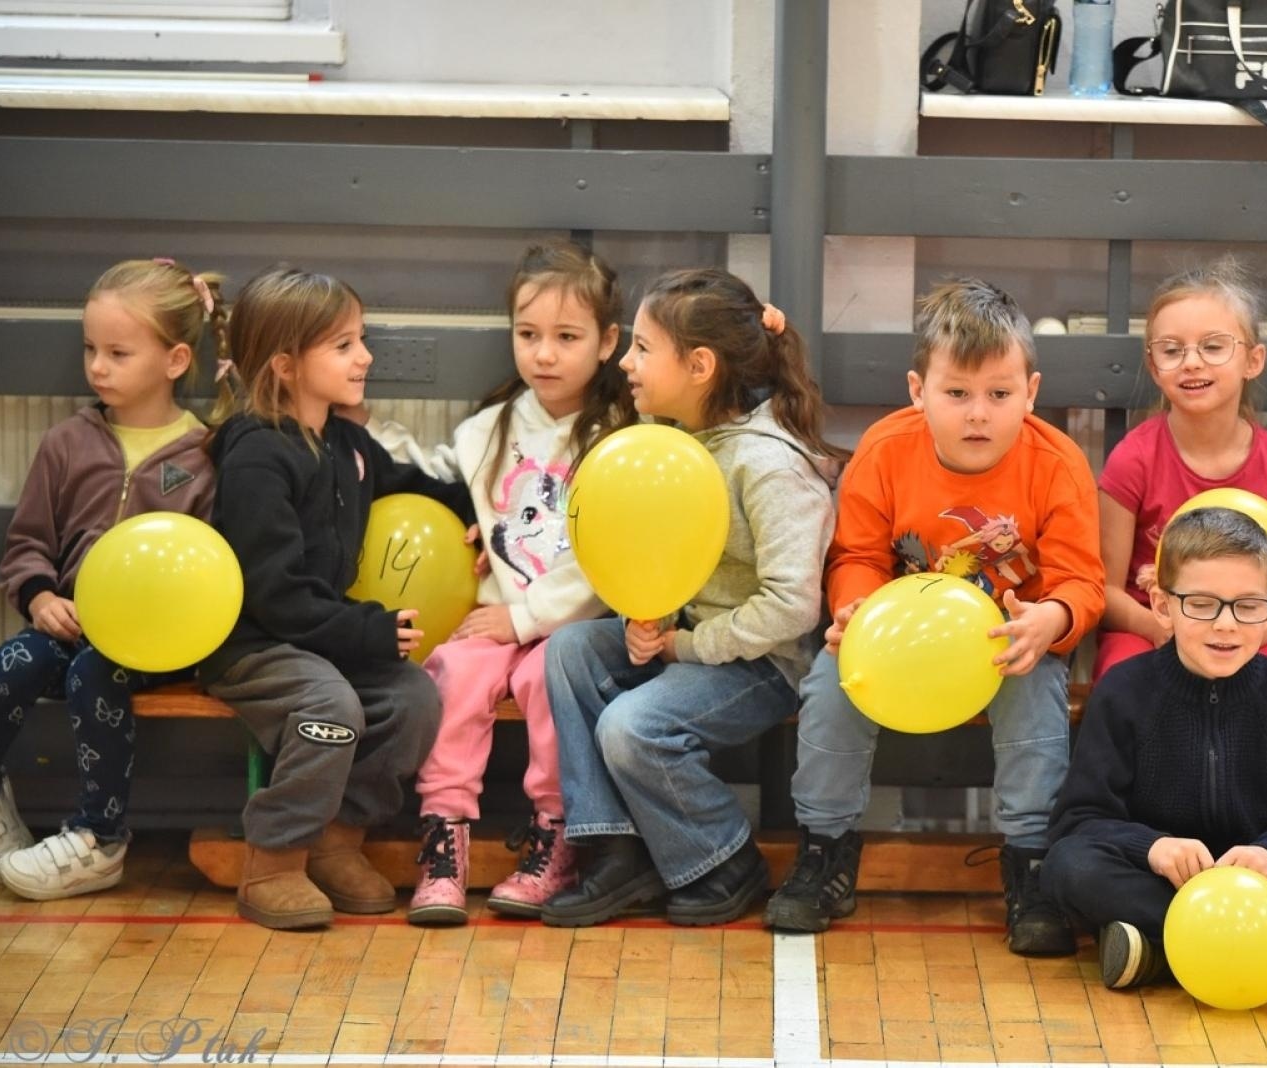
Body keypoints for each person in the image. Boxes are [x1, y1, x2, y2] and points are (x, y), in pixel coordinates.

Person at [763, 277, 1104, 956]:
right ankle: (825, 851)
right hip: (898, 639)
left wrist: (1051, 619)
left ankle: (1031, 863)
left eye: (1000, 395)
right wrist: (851, 610)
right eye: (957, 394)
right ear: (918, 390)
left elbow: (1081, 581)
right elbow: (856, 553)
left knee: (1036, 701)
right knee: (831, 689)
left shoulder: (1057, 464)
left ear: (1030, 393)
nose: (978, 414)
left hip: (1009, 638)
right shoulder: (886, 452)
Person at [539, 267, 841, 928]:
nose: (626, 362)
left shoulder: (768, 464)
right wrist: (650, 622)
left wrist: (684, 645)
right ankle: (619, 850)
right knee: (570, 652)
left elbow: (793, 606)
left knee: (632, 727)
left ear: (700, 365)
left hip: (761, 664)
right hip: (688, 638)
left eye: (644, 348)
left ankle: (724, 858)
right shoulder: (675, 439)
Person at [360, 242, 636, 925]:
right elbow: (438, 483)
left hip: (568, 626)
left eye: (566, 338)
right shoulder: (488, 430)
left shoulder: (622, 436)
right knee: (451, 670)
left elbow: (611, 558)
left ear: (606, 343)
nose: (544, 354)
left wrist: (528, 619)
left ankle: (554, 837)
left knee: (550, 682)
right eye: (528, 335)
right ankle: (443, 843)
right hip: (492, 617)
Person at [201, 266, 473, 930]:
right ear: (288, 364)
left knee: (412, 698)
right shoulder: (258, 457)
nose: (366, 357)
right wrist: (368, 631)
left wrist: (476, 518)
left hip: (317, 638)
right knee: (331, 704)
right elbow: (275, 595)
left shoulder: (347, 444)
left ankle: (336, 839)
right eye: (345, 345)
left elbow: (413, 482)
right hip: (255, 643)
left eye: (361, 340)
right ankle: (274, 858)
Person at [1043, 507, 1267, 998]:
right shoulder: (1124, 690)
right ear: (1162, 605)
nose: (1226, 625)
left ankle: (1158, 953)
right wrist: (1152, 847)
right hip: (1164, 883)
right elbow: (1078, 819)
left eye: (1248, 605)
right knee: (1069, 867)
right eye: (1203, 604)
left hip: (1265, 888)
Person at [0, 258, 224, 900]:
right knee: (6, 665)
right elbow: (28, 544)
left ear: (176, 360)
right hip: (69, 623)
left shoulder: (206, 456)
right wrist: (39, 597)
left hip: (154, 647)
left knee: (95, 673)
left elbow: (211, 573)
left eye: (118, 352)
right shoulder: (67, 442)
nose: (98, 366)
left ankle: (99, 839)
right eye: (91, 349)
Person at [1094, 257, 1267, 682]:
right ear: (1155, 367)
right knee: (1122, 674)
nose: (1191, 362)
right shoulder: (1133, 459)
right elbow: (1106, 590)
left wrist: (1235, 638)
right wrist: (1159, 628)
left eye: (1213, 346)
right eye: (1172, 350)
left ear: (1253, 360)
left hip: (1247, 632)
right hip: (1154, 627)